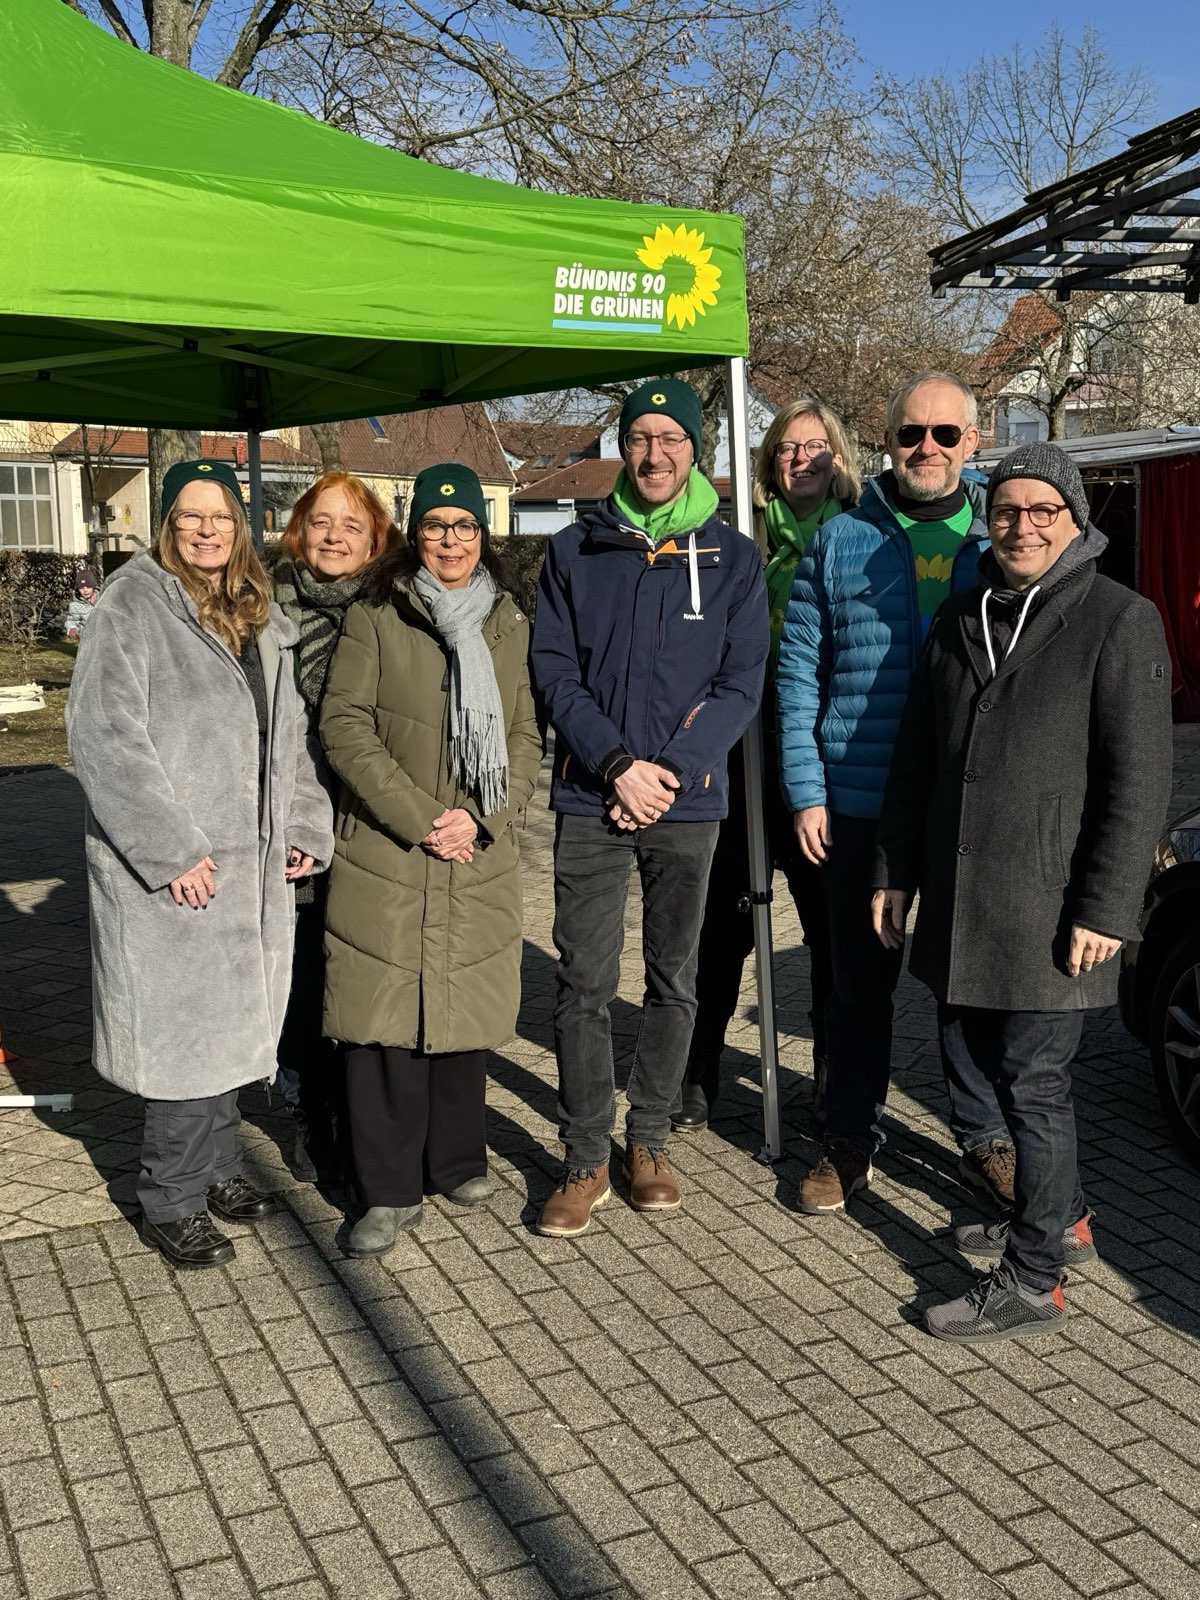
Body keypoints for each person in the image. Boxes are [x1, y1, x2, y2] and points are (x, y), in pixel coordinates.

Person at [873, 441, 1172, 1341]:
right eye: (1007, 509)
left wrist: (1108, 908)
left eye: (1044, 509)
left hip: (1054, 908)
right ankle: (1060, 1217)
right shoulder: (963, 616)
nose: (1024, 524)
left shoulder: (1119, 619)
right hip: (966, 907)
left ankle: (1034, 1277)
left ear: (1076, 520)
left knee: (1032, 1087)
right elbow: (918, 759)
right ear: (986, 520)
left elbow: (1141, 779)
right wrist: (896, 874)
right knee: (968, 1064)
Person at [65, 459, 333, 1269]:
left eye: (220, 516)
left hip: (250, 862)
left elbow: (291, 738)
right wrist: (170, 848)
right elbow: (105, 737)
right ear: (167, 524)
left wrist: (303, 824)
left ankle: (218, 1170)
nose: (207, 530)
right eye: (191, 516)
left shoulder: (262, 615)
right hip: (179, 864)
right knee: (186, 1037)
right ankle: (171, 1198)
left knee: (235, 1025)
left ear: (240, 527)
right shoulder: (134, 606)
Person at [530, 377, 769, 1236]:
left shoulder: (735, 558)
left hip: (689, 800)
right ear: (622, 447)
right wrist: (618, 765)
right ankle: (586, 1152)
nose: (656, 452)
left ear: (695, 448)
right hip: (590, 794)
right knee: (582, 982)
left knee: (676, 980)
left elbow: (740, 685)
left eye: (671, 438)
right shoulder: (573, 551)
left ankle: (652, 1137)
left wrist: (666, 771)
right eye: (641, 438)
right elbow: (554, 672)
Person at [777, 371, 1013, 1215]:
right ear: (887, 441)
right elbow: (799, 672)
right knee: (856, 986)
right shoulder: (839, 540)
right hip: (858, 799)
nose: (927, 449)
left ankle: (984, 1138)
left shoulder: (1004, 535)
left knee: (967, 982)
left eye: (945, 435)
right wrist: (806, 790)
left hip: (966, 801)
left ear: (973, 443)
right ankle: (847, 1137)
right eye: (911, 433)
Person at [319, 462, 541, 1258]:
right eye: (437, 524)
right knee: (381, 1022)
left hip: (474, 843)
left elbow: (522, 733)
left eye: (465, 526)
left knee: (461, 1005)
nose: (450, 539)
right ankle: (386, 1190)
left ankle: (455, 1159)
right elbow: (345, 726)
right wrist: (423, 818)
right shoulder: (379, 613)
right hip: (389, 843)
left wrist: (481, 819)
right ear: (415, 534)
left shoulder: (506, 618)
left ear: (484, 535)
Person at [675, 399, 853, 1131]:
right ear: (768, 463)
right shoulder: (736, 545)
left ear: (837, 458)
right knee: (721, 927)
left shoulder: (859, 538)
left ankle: (833, 1080)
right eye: (785, 448)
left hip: (823, 763)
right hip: (743, 756)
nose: (799, 459)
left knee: (830, 934)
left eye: (814, 447)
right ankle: (697, 1068)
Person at [272, 472, 400, 1182]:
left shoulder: (393, 606)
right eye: (321, 522)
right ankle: (303, 1101)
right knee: (303, 964)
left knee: (361, 965)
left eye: (352, 525)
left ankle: (360, 1104)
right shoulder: (264, 608)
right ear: (299, 530)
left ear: (376, 537)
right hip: (297, 815)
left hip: (372, 815)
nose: (334, 537)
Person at [65, 566, 102, 637]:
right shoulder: (75, 605)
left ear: (93, 587)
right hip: (87, 639)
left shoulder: (103, 598)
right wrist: (72, 628)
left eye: (88, 587)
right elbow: (71, 620)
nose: (85, 590)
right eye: (81, 588)